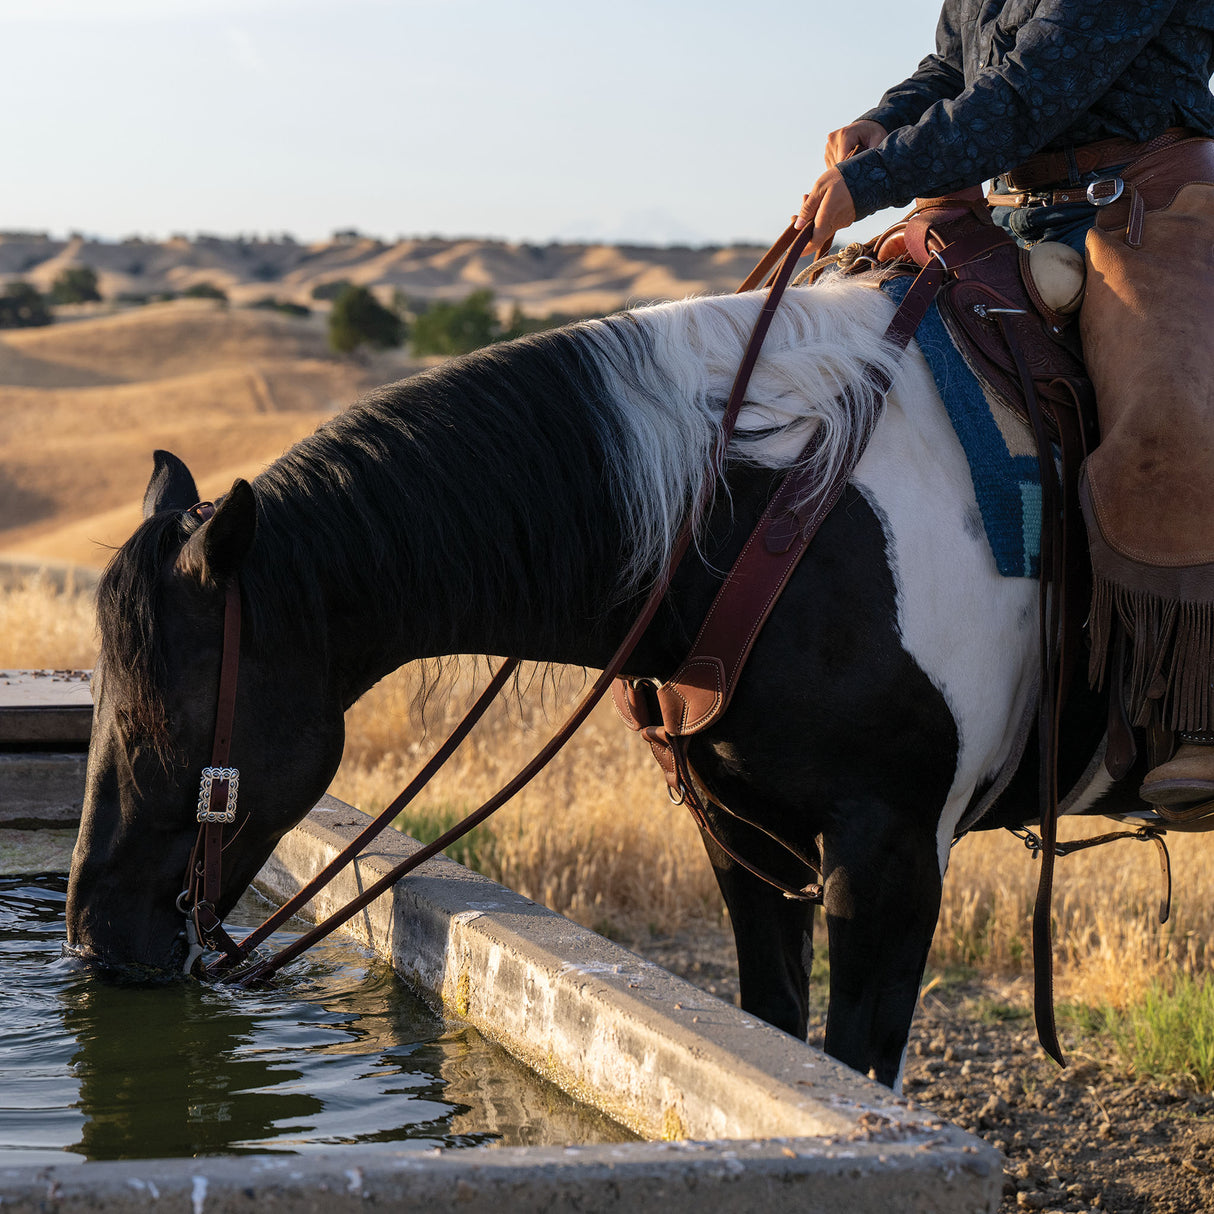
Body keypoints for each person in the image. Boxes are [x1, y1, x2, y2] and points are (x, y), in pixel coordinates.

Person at [794, 0, 1214, 811]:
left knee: (1165, 426)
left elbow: (1034, 89)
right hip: (1016, 211)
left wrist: (879, 177)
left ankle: (1194, 706)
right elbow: (957, 67)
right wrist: (885, 122)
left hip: (1149, 204)